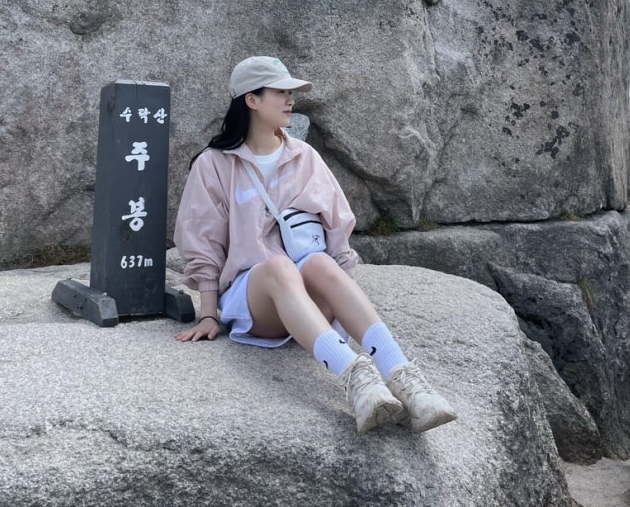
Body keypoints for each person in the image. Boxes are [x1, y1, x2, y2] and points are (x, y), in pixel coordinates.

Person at [174, 55, 457, 435]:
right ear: (251, 100)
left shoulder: (305, 157)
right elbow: (202, 241)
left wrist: (344, 305)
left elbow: (337, 229)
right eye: (280, 93)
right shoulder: (214, 164)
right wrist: (209, 313)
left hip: (310, 297)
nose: (290, 100)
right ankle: (356, 379)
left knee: (321, 263)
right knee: (279, 267)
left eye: (291, 93)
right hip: (256, 299)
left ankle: (405, 379)